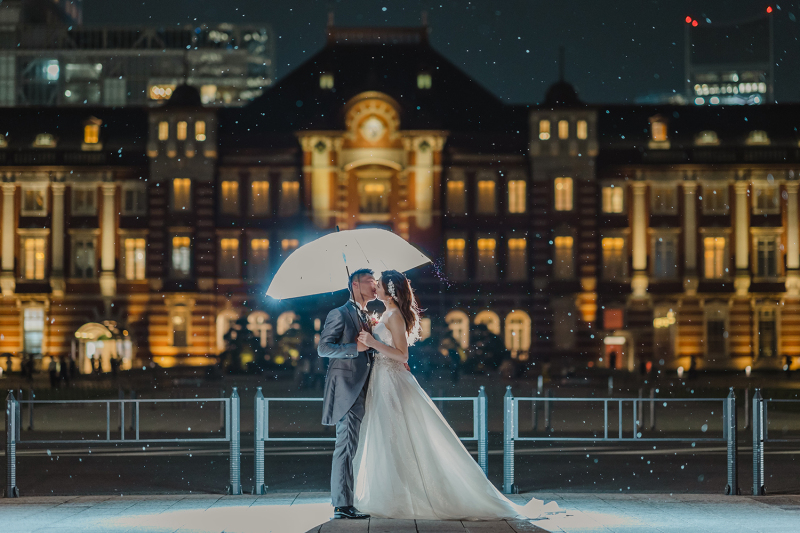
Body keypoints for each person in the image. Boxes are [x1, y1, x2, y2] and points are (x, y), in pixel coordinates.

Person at [353, 270, 559, 520]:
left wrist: (373, 343)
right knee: (386, 435)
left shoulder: (395, 316)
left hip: (392, 381)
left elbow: (403, 355)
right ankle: (389, 493)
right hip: (382, 379)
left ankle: (404, 496)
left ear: (391, 291)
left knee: (395, 435)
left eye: (380, 285)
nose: (376, 288)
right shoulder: (387, 313)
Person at [317, 268, 377, 520]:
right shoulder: (339, 313)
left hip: (365, 387)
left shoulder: (366, 314)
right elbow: (323, 348)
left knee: (354, 446)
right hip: (347, 389)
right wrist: (355, 347)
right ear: (355, 283)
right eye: (370, 281)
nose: (375, 285)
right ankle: (342, 504)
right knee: (346, 446)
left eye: (375, 281)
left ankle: (348, 500)